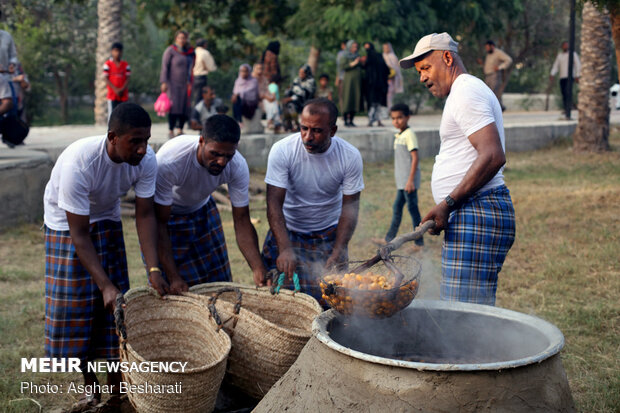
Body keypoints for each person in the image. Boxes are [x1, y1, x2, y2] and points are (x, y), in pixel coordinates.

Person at [42, 103, 160, 409]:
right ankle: (89, 385)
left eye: (146, 140)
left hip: (106, 216)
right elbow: (79, 235)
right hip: (65, 223)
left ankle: (117, 385)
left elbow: (145, 215)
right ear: (112, 137)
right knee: (80, 305)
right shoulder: (79, 163)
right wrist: (103, 285)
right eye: (135, 141)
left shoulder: (146, 161)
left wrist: (154, 269)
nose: (142, 148)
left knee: (115, 309)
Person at [399, 32, 515, 305]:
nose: (422, 78)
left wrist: (448, 202)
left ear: (448, 57)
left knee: (463, 316)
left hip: (476, 210)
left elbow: (493, 155)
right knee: (470, 313)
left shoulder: (465, 91)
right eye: (419, 72)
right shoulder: (463, 92)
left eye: (426, 68)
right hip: (472, 210)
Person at [262, 98, 364, 304]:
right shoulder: (283, 150)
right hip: (287, 231)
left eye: (316, 131)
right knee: (282, 302)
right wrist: (284, 248)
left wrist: (338, 250)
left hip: (327, 232)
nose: (308, 137)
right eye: (304, 128)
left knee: (330, 302)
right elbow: (273, 203)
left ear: (333, 130)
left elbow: (350, 208)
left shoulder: (350, 156)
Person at [153, 115, 268, 291]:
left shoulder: (237, 165)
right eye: (215, 153)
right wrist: (173, 276)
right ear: (201, 141)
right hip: (168, 217)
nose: (222, 161)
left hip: (203, 211)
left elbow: (242, 220)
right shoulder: (170, 161)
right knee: (174, 292)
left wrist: (258, 268)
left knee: (219, 288)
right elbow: (158, 224)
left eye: (228, 155)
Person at [373, 103, 423, 247]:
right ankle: (388, 239)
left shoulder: (409, 135)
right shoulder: (399, 135)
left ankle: (419, 244)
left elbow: (415, 158)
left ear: (408, 117)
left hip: (408, 183)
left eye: (400, 118)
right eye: (393, 118)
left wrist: (410, 181)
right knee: (397, 208)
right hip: (402, 182)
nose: (396, 121)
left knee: (413, 212)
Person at [160, 30, 195, 138]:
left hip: (185, 84)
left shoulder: (190, 52)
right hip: (172, 83)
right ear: (176, 38)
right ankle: (171, 129)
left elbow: (193, 67)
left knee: (184, 107)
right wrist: (164, 82)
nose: (182, 40)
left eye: (184, 38)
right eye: (180, 38)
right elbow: (165, 67)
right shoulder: (170, 51)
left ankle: (180, 129)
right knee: (174, 106)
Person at [550, 41, 581, 120]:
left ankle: (569, 108)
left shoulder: (573, 54)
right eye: (564, 46)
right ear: (562, 47)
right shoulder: (560, 56)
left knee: (568, 92)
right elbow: (556, 66)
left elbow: (578, 65)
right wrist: (552, 74)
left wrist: (577, 75)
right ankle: (566, 108)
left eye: (567, 45)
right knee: (563, 92)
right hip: (562, 77)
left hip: (570, 76)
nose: (565, 47)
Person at [281, 64, 316, 132]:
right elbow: (292, 89)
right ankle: (288, 124)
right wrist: (287, 95)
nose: (300, 74)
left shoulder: (310, 81)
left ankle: (297, 124)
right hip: (295, 100)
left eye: (302, 73)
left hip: (305, 101)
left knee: (291, 105)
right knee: (285, 104)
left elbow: (304, 93)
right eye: (299, 72)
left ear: (306, 73)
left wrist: (291, 98)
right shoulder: (297, 80)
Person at [362, 42, 390, 127]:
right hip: (380, 85)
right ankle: (379, 121)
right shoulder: (379, 56)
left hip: (371, 86)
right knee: (378, 102)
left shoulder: (369, 58)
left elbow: (365, 69)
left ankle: (371, 121)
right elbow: (387, 70)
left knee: (372, 102)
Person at [103, 42, 131, 121]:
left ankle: (122, 132)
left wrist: (122, 89)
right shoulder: (107, 64)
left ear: (122, 52)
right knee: (112, 114)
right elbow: (106, 78)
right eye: (115, 51)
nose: (117, 53)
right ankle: (112, 132)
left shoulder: (125, 65)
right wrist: (115, 89)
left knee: (123, 114)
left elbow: (128, 78)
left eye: (119, 51)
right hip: (112, 95)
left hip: (123, 95)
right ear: (112, 51)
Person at [482, 40, 512, 111]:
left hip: (494, 75)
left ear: (492, 46)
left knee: (492, 92)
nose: (486, 49)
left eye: (487, 47)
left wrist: (500, 67)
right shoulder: (489, 54)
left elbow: (509, 60)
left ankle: (494, 109)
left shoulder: (498, 53)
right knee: (488, 92)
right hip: (488, 75)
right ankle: (500, 107)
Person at [341, 40, 362, 127]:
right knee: (347, 99)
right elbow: (343, 66)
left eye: (356, 47)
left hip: (357, 81)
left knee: (355, 99)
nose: (355, 48)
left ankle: (351, 120)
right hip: (348, 81)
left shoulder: (358, 55)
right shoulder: (345, 56)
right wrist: (353, 63)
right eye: (353, 47)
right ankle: (345, 120)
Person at [192, 38, 217, 105]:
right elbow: (212, 68)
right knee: (199, 98)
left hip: (192, 78)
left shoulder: (193, 52)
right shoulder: (205, 53)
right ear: (204, 45)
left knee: (193, 98)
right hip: (201, 78)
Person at [383, 42, 404, 108]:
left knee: (390, 95)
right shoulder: (382, 56)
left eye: (387, 47)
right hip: (384, 78)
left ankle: (390, 109)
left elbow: (396, 68)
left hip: (392, 78)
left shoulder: (393, 56)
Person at [335, 40, 347, 110]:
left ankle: (345, 112)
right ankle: (344, 112)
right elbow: (339, 67)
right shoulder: (341, 54)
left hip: (343, 78)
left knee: (343, 96)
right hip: (342, 77)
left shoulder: (342, 54)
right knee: (342, 95)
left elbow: (339, 67)